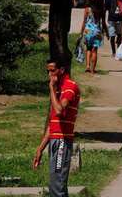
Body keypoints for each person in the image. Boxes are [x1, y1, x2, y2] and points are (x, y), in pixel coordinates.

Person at [33, 57, 81, 197]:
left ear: (61, 70)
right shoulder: (58, 89)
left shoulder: (69, 87)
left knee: (57, 185)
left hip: (62, 141)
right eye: (48, 71)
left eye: (52, 71)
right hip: (54, 139)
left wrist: (52, 89)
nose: (50, 75)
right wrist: (40, 148)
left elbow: (59, 111)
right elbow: (52, 124)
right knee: (55, 183)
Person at [80, 0, 106, 74]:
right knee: (94, 51)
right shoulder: (102, 10)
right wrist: (107, 33)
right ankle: (93, 69)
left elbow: (84, 21)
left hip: (88, 31)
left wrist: (81, 32)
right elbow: (103, 23)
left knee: (88, 48)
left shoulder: (88, 9)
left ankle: (87, 66)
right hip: (97, 31)